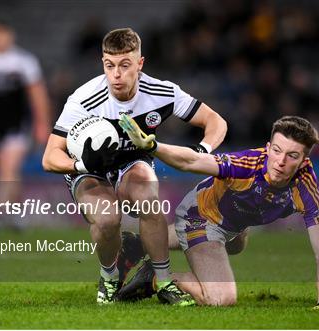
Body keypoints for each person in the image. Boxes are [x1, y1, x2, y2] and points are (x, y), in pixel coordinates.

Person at [42, 28, 227, 305]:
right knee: (107, 219)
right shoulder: (84, 99)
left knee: (149, 199)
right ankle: (109, 277)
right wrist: (79, 164)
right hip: (88, 169)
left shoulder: (161, 92)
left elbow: (215, 121)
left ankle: (164, 282)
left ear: (140, 64)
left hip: (132, 161)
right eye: (109, 65)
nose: (116, 74)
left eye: (125, 65)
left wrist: (202, 151)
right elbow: (49, 157)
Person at [117, 114, 319, 309]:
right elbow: (192, 161)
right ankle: (155, 278)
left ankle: (137, 244)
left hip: (234, 225)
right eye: (277, 151)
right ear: (268, 147)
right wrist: (153, 147)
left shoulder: (306, 186)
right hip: (200, 216)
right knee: (222, 299)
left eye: (292, 156)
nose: (280, 162)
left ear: (303, 161)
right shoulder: (247, 165)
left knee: (238, 245)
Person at [0, 23, 51, 222]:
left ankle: (0, 213)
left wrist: (42, 124)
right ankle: (16, 214)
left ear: (10, 37)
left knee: (8, 168)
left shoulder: (23, 61)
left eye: (2, 36)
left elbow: (37, 95)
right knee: (4, 171)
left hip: (19, 124)